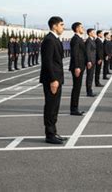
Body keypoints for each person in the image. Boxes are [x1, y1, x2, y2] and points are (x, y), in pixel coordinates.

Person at [40, 16, 65, 144]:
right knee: (50, 107)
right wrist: (53, 80)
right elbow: (47, 62)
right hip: (52, 79)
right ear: (54, 26)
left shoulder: (55, 39)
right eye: (61, 24)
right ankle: (49, 134)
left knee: (55, 107)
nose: (63, 27)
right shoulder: (49, 40)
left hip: (57, 79)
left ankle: (53, 131)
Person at [69, 22, 86, 116]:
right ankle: (74, 109)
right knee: (76, 88)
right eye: (81, 27)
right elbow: (75, 54)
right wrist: (77, 67)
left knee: (77, 88)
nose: (83, 28)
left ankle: (75, 107)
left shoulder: (79, 38)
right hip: (77, 67)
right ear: (76, 28)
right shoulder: (75, 39)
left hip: (80, 66)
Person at [85, 28, 97, 97]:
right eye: (93, 32)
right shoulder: (88, 41)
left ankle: (90, 90)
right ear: (89, 33)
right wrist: (89, 61)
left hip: (93, 60)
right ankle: (89, 91)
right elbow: (87, 51)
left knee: (91, 76)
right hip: (90, 61)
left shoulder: (92, 40)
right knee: (89, 77)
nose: (94, 33)